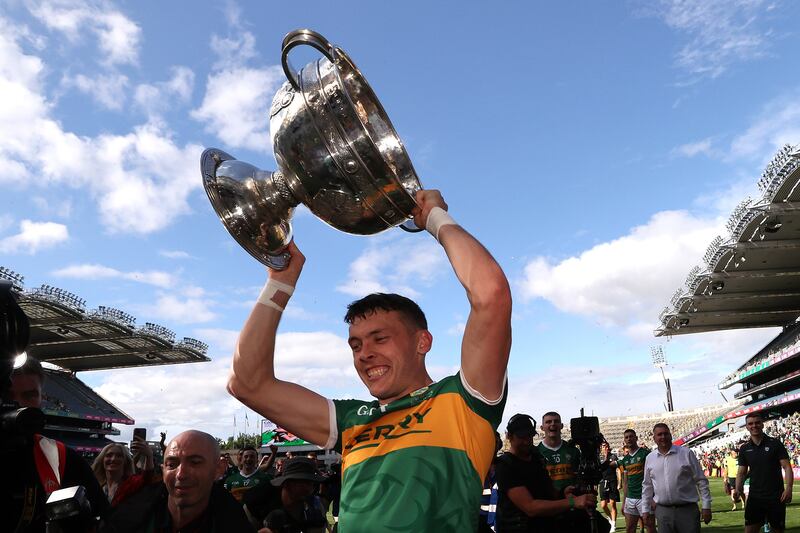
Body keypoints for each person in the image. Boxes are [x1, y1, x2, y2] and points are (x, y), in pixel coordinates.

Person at [227, 189, 512, 532]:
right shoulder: (351, 419)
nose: (364, 353)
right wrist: (280, 283)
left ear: (423, 341)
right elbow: (246, 383)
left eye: (380, 338)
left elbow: (491, 295)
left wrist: (434, 217)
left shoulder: (464, 401)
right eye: (356, 344)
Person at [6, 356, 108, 532]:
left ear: (41, 398)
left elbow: (105, 519)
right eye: (8, 396)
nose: (20, 405)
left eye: (29, 395)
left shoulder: (60, 457)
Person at [101, 430, 254, 532]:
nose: (181, 474)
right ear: (163, 470)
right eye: (172, 464)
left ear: (219, 469)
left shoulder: (234, 524)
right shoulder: (126, 519)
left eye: (195, 462)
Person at [494, 413, 598, 532]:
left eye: (530, 436)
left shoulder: (536, 458)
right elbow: (530, 507)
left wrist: (563, 493)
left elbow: (546, 492)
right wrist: (572, 502)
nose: (527, 441)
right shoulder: (505, 465)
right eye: (522, 437)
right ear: (509, 436)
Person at [641, 424, 712, 533]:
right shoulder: (650, 458)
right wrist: (645, 509)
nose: (663, 437)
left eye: (666, 433)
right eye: (659, 434)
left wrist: (706, 505)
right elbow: (647, 486)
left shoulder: (686, 453)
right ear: (654, 438)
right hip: (663, 511)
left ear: (670, 435)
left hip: (687, 510)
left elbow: (701, 480)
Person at [734, 412, 794, 533]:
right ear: (746, 427)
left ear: (762, 424)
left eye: (757, 422)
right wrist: (737, 489)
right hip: (755, 497)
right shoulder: (744, 448)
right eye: (750, 423)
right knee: (750, 530)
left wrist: (789, 488)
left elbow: (787, 467)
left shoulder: (775, 444)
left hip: (776, 497)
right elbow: (741, 473)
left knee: (777, 530)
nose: (754, 426)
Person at [241, 456, 327, 532]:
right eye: (303, 483)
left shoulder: (315, 508)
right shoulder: (256, 504)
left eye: (311, 483)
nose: (309, 488)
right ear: (286, 484)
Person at [92, 438, 157, 507]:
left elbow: (147, 478)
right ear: (102, 460)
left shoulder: (132, 483)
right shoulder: (96, 485)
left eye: (119, 456)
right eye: (109, 455)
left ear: (125, 461)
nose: (113, 459)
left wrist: (149, 456)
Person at [536, 412, 580, 497]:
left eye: (556, 421)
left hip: (572, 500)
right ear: (542, 428)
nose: (553, 424)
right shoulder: (536, 453)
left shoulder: (573, 451)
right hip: (548, 502)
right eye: (548, 422)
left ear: (562, 426)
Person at [618, 429, 654, 533]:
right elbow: (625, 481)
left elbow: (653, 476)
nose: (629, 439)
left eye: (631, 436)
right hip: (630, 498)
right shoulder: (625, 460)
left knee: (650, 527)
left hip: (644, 497)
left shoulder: (646, 454)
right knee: (629, 529)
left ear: (636, 438)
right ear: (624, 440)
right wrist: (624, 501)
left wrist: (653, 497)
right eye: (626, 437)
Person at [598, 441, 621, 531]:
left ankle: (613, 525)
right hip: (602, 482)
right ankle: (610, 519)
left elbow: (618, 470)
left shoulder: (613, 456)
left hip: (612, 481)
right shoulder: (599, 457)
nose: (605, 447)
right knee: (603, 505)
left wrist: (620, 483)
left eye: (606, 446)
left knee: (612, 504)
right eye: (603, 446)